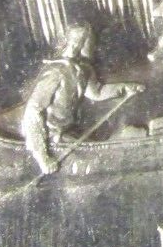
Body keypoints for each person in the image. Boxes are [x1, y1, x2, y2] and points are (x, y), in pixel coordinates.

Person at [21, 24, 138, 173]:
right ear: (77, 43)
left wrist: (125, 87)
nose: (93, 48)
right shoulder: (56, 71)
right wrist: (42, 157)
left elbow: (96, 92)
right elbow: (33, 110)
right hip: (51, 139)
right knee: (102, 161)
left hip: (67, 133)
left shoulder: (83, 69)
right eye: (91, 42)